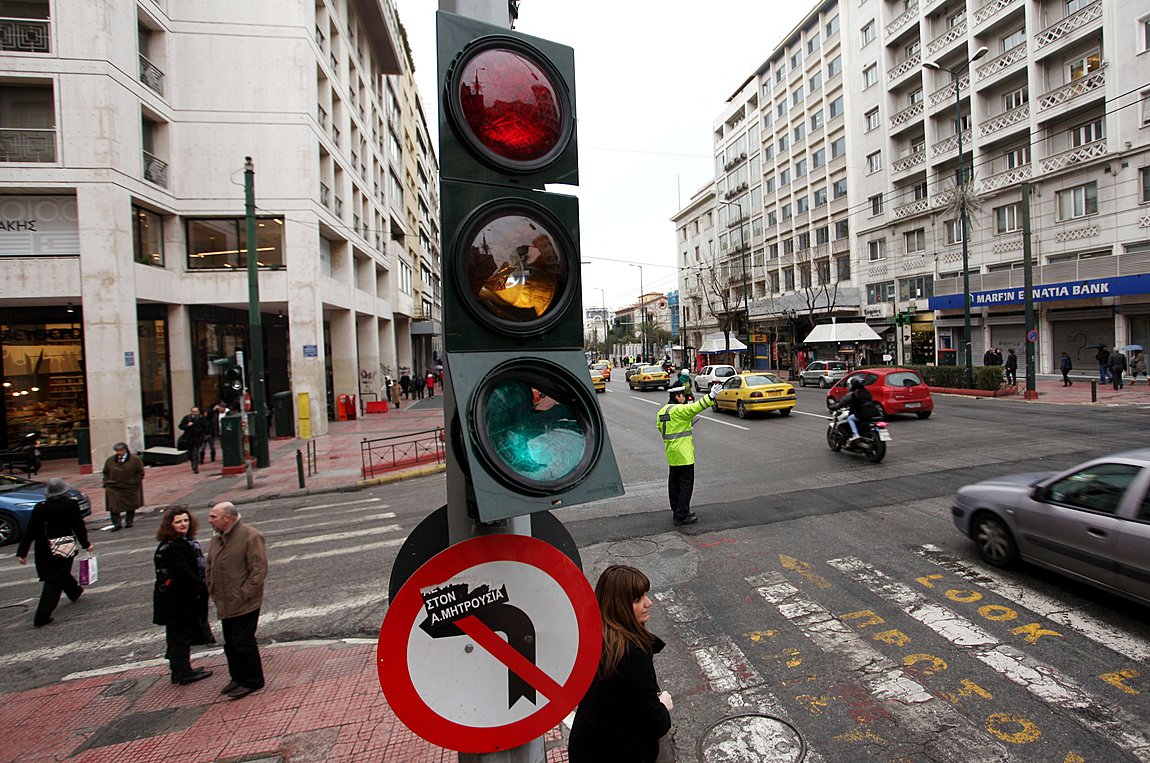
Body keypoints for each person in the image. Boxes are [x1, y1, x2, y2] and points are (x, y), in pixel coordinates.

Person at [568, 565, 672, 763]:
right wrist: (664, 706)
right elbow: (653, 721)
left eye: (646, 595)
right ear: (619, 606)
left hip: (586, 746)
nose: (648, 603)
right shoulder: (631, 655)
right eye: (637, 599)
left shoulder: (594, 639)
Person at [206, 501, 268, 699]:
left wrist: (245, 592)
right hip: (225, 601)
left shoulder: (250, 536)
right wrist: (211, 586)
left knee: (243, 642)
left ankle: (253, 680)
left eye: (213, 517)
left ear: (228, 518)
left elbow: (259, 569)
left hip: (244, 602)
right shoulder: (217, 538)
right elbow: (210, 564)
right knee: (230, 643)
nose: (210, 520)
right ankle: (237, 677)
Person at [15, 478, 93, 628]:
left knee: (56, 574)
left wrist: (22, 552)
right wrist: (86, 544)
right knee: (55, 579)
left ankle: (74, 591)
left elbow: (30, 531)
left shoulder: (40, 508)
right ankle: (42, 616)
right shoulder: (70, 505)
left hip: (44, 547)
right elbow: (78, 526)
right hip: (64, 545)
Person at [153, 507, 214, 685]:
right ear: (170, 525)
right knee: (179, 637)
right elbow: (183, 573)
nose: (183, 524)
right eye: (178, 522)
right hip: (177, 600)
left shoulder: (178, 542)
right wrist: (202, 586)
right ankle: (182, 672)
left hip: (174, 599)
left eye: (185, 521)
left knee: (178, 636)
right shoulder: (174, 546)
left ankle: (181, 669)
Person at [656, 382, 721, 526]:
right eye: (683, 396)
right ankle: (682, 516)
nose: (685, 398)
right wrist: (711, 396)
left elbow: (661, 429)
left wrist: (683, 426)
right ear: (678, 396)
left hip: (672, 453)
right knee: (686, 484)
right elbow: (695, 408)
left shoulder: (662, 412)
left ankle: (678, 511)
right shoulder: (679, 410)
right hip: (684, 454)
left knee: (674, 484)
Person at [102, 441, 144, 531]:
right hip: (113, 486)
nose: (119, 453)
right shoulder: (110, 460)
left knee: (130, 505)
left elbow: (140, 472)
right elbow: (105, 472)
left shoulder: (135, 460)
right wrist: (106, 482)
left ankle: (129, 523)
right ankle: (117, 524)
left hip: (129, 486)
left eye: (120, 450)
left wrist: (135, 481)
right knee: (113, 505)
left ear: (125, 450)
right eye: (117, 451)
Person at [829, 376, 874, 443]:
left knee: (850, 418)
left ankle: (855, 435)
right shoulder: (866, 391)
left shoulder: (853, 393)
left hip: (863, 413)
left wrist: (833, 406)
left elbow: (842, 403)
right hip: (873, 412)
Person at [178, 406, 210, 474]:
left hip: (198, 439)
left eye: (196, 412)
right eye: (193, 412)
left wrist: (203, 435)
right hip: (189, 438)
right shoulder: (187, 418)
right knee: (190, 454)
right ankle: (193, 463)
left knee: (195, 452)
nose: (195, 413)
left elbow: (206, 427)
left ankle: (195, 467)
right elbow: (180, 426)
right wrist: (187, 425)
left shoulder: (202, 418)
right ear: (191, 412)